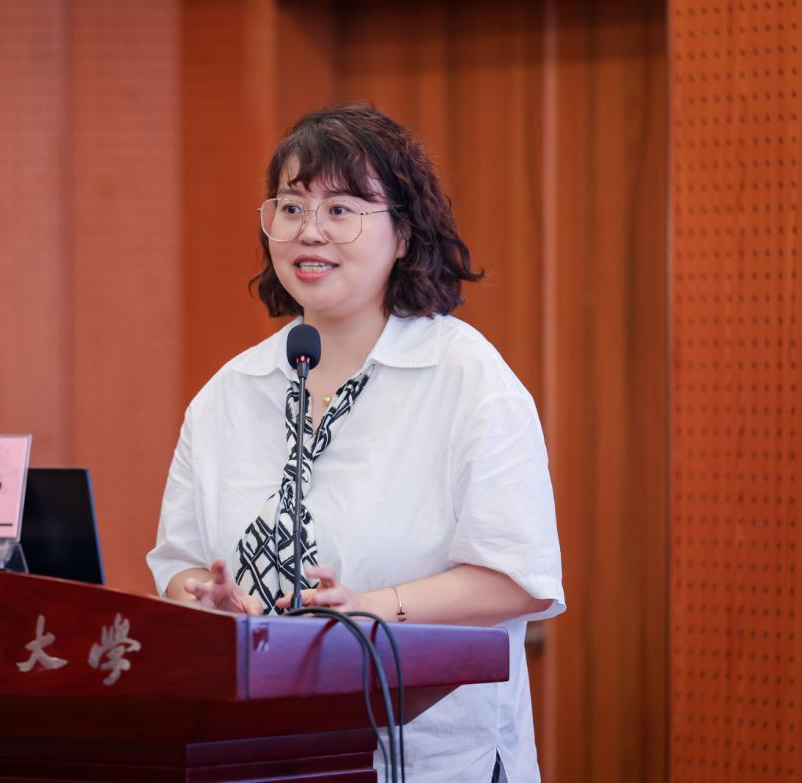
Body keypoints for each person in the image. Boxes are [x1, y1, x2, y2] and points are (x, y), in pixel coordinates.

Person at [147, 105, 564, 783]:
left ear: (402, 234)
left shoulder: (465, 378)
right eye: (290, 207)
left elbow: (517, 578)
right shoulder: (229, 392)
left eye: (340, 209)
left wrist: (367, 610)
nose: (309, 231)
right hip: (257, 752)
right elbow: (180, 564)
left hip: (427, 758)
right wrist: (204, 600)